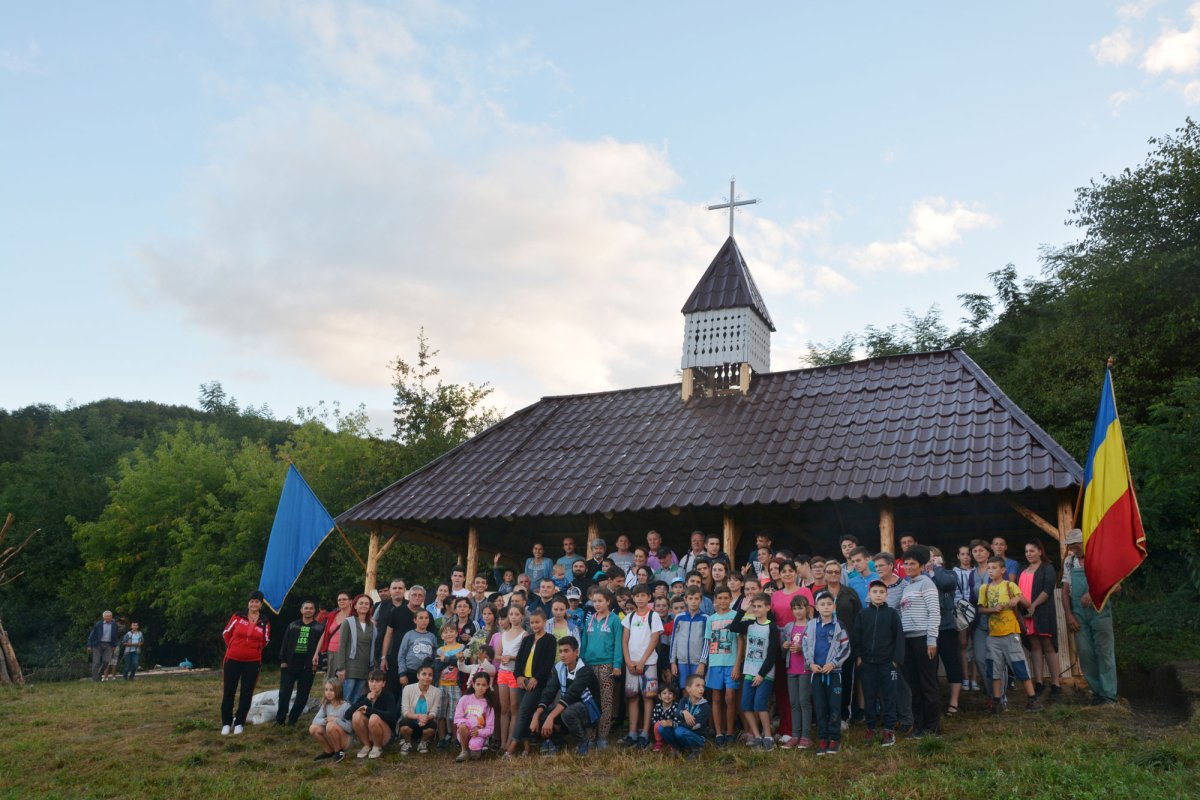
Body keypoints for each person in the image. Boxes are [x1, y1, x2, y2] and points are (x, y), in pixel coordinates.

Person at [978, 556, 1044, 713]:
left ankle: (1032, 700)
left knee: (1019, 664)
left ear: (1002, 570)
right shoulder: (984, 589)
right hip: (993, 635)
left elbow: (1027, 604)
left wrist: (1017, 598)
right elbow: (980, 610)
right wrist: (993, 610)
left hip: (1011, 633)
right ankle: (996, 702)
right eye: (989, 568)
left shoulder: (1010, 585)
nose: (991, 571)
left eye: (994, 568)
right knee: (994, 668)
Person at [1062, 528, 1118, 705]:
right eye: (1070, 546)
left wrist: (1094, 594)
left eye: (1076, 545)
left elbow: (1117, 587)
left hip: (1100, 612)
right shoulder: (1069, 562)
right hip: (1078, 615)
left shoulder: (1101, 557)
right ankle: (1097, 692)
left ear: (1085, 542)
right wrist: (1069, 615)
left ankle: (1108, 695)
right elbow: (1065, 591)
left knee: (1104, 652)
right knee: (1086, 654)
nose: (1073, 549)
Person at [530, 636, 602, 755]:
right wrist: (536, 715)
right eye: (561, 651)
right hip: (568, 707)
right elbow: (549, 691)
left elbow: (570, 695)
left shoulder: (585, 670)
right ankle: (559, 744)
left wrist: (551, 718)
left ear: (576, 652)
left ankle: (583, 742)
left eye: (566, 651)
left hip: (589, 711)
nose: (562, 655)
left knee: (566, 712)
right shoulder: (559, 668)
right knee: (541, 713)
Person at [853, 580, 903, 747]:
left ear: (886, 594)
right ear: (870, 594)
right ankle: (871, 727)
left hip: (887, 663)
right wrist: (859, 656)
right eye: (875, 592)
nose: (878, 594)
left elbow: (899, 638)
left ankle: (888, 729)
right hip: (867, 663)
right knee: (869, 696)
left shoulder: (892, 614)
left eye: (882, 592)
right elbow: (856, 637)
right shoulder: (863, 614)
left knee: (889, 696)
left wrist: (895, 660)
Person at [770, 559, 814, 744]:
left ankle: (801, 731)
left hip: (801, 643)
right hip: (782, 642)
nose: (787, 574)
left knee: (800, 692)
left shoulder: (804, 591)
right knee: (782, 688)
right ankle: (786, 727)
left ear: (796, 572)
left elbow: (811, 618)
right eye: (783, 571)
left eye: (790, 570)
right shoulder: (775, 595)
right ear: (779, 574)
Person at [899, 546, 942, 737]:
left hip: (924, 640)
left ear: (922, 566)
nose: (908, 567)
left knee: (928, 685)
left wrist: (931, 640)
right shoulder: (907, 586)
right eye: (906, 563)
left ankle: (933, 727)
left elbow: (934, 612)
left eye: (912, 564)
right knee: (914, 686)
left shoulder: (927, 584)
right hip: (908, 641)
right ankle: (919, 726)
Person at [504, 608, 556, 757]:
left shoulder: (550, 639)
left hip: (537, 682)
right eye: (532, 622)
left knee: (524, 711)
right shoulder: (527, 639)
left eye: (538, 622)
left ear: (544, 622)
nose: (535, 625)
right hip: (523, 681)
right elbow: (519, 660)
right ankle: (526, 747)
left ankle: (512, 746)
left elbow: (548, 662)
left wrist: (536, 678)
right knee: (524, 712)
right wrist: (519, 676)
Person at [804, 591, 851, 756]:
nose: (826, 607)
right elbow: (805, 646)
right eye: (822, 604)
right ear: (816, 607)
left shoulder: (839, 625)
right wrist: (810, 664)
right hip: (816, 673)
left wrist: (833, 663)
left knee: (834, 706)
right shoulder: (810, 625)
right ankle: (823, 738)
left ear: (834, 606)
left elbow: (846, 648)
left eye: (829, 604)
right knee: (820, 706)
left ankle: (834, 738)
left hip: (834, 673)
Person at [220, 590, 271, 736]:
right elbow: (226, 633)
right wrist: (234, 646)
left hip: (252, 661)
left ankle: (239, 722)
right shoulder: (238, 616)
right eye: (252, 601)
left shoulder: (264, 621)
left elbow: (265, 640)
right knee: (229, 691)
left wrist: (253, 649)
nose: (254, 604)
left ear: (261, 605)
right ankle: (226, 722)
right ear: (248, 603)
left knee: (246, 692)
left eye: (257, 602)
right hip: (233, 658)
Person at [619, 583, 663, 749]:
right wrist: (628, 661)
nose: (640, 599)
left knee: (648, 696)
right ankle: (632, 732)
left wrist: (643, 660)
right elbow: (625, 640)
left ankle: (645, 732)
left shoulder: (654, 616)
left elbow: (654, 639)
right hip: (632, 663)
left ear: (649, 597)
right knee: (632, 697)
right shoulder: (630, 617)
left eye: (643, 595)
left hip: (648, 662)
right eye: (637, 596)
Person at [580, 588, 622, 749]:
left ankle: (603, 737)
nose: (597, 604)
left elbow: (618, 643)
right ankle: (591, 736)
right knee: (590, 701)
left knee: (606, 702)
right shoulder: (590, 619)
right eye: (594, 601)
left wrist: (617, 664)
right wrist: (581, 663)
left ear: (608, 601)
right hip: (589, 665)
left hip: (606, 665)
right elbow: (584, 642)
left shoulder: (614, 620)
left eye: (600, 601)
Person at [736, 593, 779, 750]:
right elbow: (735, 627)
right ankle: (756, 736)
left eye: (760, 606)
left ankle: (768, 736)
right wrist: (742, 611)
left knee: (760, 704)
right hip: (749, 672)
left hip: (765, 674)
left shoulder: (772, 628)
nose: (756, 609)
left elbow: (772, 654)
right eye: (754, 606)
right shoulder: (749, 624)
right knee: (745, 705)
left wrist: (761, 674)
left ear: (768, 607)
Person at [1021, 539, 1062, 699]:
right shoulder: (1023, 571)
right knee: (1034, 646)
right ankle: (1039, 682)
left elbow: (1047, 589)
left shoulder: (1047, 568)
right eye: (1026, 551)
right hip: (1027, 614)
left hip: (1042, 612)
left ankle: (1056, 684)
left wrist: (1034, 605)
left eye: (1032, 551)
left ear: (1040, 551)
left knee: (1048, 646)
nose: (1029, 554)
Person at [702, 584, 740, 747]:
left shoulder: (736, 616)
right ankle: (718, 733)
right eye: (720, 598)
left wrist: (738, 665)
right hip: (715, 664)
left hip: (731, 663)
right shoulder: (711, 619)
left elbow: (741, 641)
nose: (723, 601)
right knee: (716, 698)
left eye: (726, 597)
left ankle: (730, 732)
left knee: (730, 697)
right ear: (715, 600)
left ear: (730, 599)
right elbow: (708, 642)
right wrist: (704, 663)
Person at [277, 600, 324, 726]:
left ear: (314, 611)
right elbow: (285, 643)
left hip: (308, 666)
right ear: (301, 610)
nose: (308, 610)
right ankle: (280, 719)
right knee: (284, 693)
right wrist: (283, 660)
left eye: (311, 608)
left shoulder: (319, 628)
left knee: (302, 695)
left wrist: (316, 664)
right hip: (290, 664)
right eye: (306, 608)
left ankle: (293, 719)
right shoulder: (293, 625)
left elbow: (321, 648)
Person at [380, 584, 427, 697]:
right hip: (396, 659)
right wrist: (383, 657)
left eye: (420, 595)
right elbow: (388, 635)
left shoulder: (426, 615)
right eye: (414, 595)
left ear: (423, 598)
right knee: (392, 693)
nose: (417, 597)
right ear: (409, 596)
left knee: (413, 695)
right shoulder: (397, 612)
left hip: (417, 664)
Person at [329, 594, 377, 706]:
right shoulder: (348, 622)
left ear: (370, 607)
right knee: (347, 697)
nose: (364, 606)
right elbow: (342, 646)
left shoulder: (373, 625)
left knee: (358, 698)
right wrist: (341, 668)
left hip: (365, 667)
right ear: (354, 606)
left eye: (367, 604)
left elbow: (372, 647)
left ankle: (351, 721)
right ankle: (340, 721)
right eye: (361, 603)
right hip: (350, 667)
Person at [780, 594, 813, 749]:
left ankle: (805, 736)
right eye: (795, 608)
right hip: (791, 669)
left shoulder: (812, 625)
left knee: (804, 702)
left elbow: (815, 648)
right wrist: (785, 645)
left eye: (800, 608)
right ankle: (795, 735)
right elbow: (782, 645)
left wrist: (802, 649)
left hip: (805, 669)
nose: (798, 611)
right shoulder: (788, 627)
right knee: (793, 702)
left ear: (806, 608)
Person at [495, 605, 528, 750]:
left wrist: (512, 658)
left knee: (515, 709)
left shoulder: (524, 635)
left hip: (515, 674)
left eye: (516, 614)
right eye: (511, 614)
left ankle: (510, 742)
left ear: (522, 616)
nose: (513, 617)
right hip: (502, 673)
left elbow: (525, 657)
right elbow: (496, 655)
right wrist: (502, 657)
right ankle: (502, 742)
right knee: (504, 709)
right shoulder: (503, 634)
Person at [658, 673, 711, 759]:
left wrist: (673, 724)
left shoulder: (705, 706)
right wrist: (684, 712)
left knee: (679, 730)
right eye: (698, 685)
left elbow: (694, 726)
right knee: (661, 728)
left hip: (698, 738)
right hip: (682, 733)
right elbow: (677, 713)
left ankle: (697, 749)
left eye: (703, 686)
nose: (701, 689)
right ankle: (677, 748)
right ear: (688, 689)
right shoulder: (684, 700)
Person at [350, 669, 397, 759]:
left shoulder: (388, 696)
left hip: (385, 735)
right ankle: (367, 746)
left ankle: (377, 747)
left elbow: (392, 717)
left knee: (374, 717)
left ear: (383, 684)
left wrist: (370, 710)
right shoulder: (365, 696)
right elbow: (347, 714)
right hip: (370, 734)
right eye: (371, 681)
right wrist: (366, 700)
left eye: (378, 681)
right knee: (356, 715)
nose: (374, 684)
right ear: (368, 682)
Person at [397, 662, 442, 753]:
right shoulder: (408, 689)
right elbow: (405, 712)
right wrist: (418, 717)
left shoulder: (437, 691)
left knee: (433, 726)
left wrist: (426, 718)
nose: (427, 677)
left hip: (426, 721)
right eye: (424, 674)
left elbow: (434, 712)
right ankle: (407, 743)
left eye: (430, 675)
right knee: (404, 725)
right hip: (411, 720)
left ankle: (423, 742)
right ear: (418, 676)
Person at [670, 586, 709, 688]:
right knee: (685, 689)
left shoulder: (705, 618)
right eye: (690, 598)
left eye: (696, 598)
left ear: (700, 600)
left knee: (697, 689)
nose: (693, 601)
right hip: (682, 661)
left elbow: (707, 641)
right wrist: (673, 661)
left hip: (697, 661)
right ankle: (686, 705)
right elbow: (674, 640)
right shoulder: (679, 617)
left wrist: (702, 662)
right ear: (686, 599)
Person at [454, 671, 496, 762]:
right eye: (478, 684)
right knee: (462, 726)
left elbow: (490, 728)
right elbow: (457, 718)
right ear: (473, 684)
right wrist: (468, 725)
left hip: (479, 733)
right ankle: (464, 751)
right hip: (464, 731)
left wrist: (479, 732)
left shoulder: (488, 705)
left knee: (475, 755)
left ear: (488, 686)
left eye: (484, 685)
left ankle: (476, 748)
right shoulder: (465, 699)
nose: (480, 687)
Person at [435, 622, 465, 745]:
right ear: (442, 636)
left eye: (451, 631)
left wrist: (446, 660)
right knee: (440, 712)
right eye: (445, 632)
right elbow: (438, 666)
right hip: (441, 684)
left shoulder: (462, 647)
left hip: (455, 684)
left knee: (455, 712)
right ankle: (442, 738)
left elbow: (460, 663)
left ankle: (455, 738)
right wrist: (453, 659)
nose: (448, 634)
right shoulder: (440, 649)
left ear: (456, 633)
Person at [309, 678, 352, 763]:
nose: (328, 693)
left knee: (330, 725)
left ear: (338, 690)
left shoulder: (346, 705)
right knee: (313, 728)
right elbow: (315, 720)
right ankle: (328, 751)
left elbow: (350, 728)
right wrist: (326, 721)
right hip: (331, 735)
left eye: (331, 690)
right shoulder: (326, 705)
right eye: (326, 690)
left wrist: (335, 720)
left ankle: (339, 751)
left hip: (345, 740)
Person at [397, 610, 438, 689]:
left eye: (426, 618)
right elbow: (401, 655)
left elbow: (435, 656)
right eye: (421, 618)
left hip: (426, 674)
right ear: (415, 620)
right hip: (410, 673)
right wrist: (402, 673)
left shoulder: (432, 637)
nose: (424, 620)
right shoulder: (409, 635)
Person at [315, 592, 352, 677]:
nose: (341, 601)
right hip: (331, 652)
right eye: (339, 600)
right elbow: (324, 635)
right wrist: (316, 653)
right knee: (331, 679)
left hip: (347, 653)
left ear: (351, 601)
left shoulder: (355, 616)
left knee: (344, 680)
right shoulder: (332, 615)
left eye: (344, 599)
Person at [87, 611, 120, 682]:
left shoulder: (114, 625)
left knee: (106, 661)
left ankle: (99, 674)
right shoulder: (98, 624)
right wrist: (89, 645)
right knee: (96, 662)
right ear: (103, 617)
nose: (108, 617)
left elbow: (115, 636)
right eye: (106, 616)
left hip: (109, 645)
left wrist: (114, 645)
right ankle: (95, 679)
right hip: (97, 644)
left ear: (111, 617)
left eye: (109, 616)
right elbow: (92, 635)